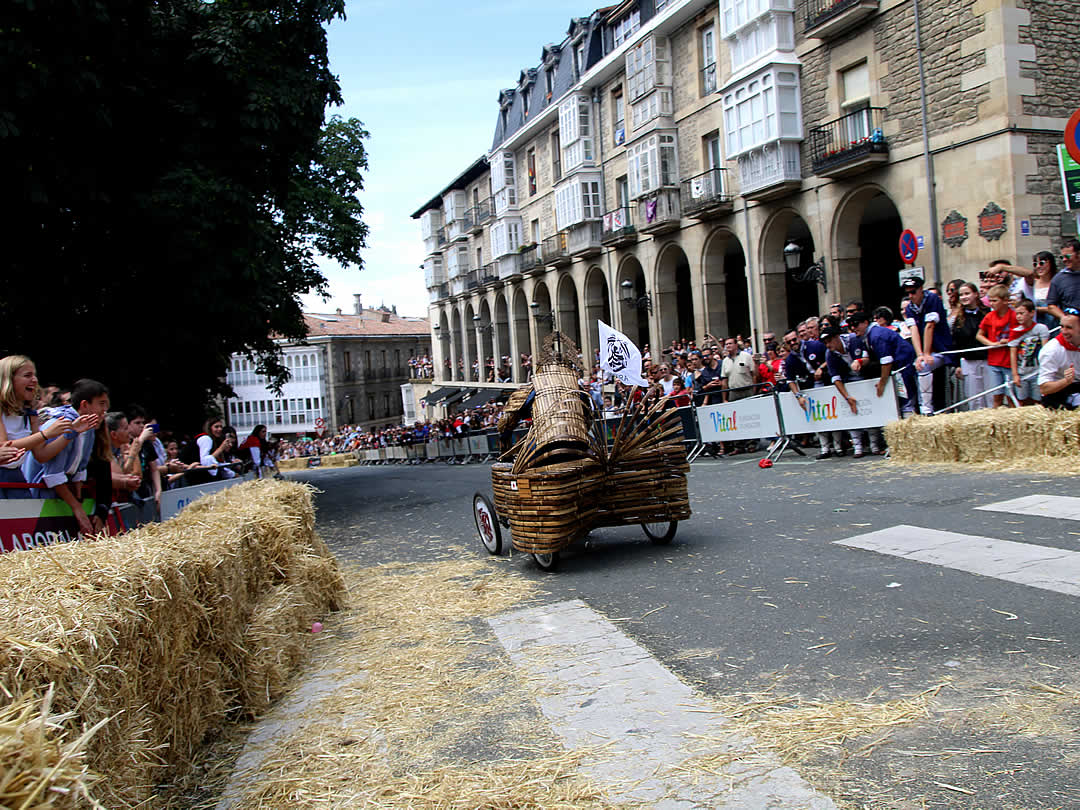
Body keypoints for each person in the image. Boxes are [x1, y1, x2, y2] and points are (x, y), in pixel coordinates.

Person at [22, 379, 111, 536]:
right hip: (40, 492)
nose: (106, 409)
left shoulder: (89, 427)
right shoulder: (61, 423)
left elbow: (79, 468)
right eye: (101, 403)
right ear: (84, 405)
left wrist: (78, 500)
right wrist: (76, 507)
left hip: (62, 491)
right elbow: (53, 474)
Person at [0, 356, 97, 498]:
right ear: (8, 379)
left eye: (34, 375)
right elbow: (5, 448)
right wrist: (45, 434)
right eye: (27, 375)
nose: (34, 380)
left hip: (15, 477)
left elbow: (41, 455)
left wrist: (70, 433)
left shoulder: (30, 414)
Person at [850, 310, 918, 415]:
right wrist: (859, 361)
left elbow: (887, 361)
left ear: (865, 322)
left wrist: (882, 383)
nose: (853, 328)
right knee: (902, 401)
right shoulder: (866, 336)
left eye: (855, 324)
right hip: (898, 368)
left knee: (906, 401)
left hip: (903, 366)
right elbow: (867, 357)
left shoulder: (876, 335)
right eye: (851, 326)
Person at [902, 275, 952, 415]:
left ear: (921, 289)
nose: (911, 296)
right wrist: (920, 355)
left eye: (913, 292)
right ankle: (923, 406)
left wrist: (926, 353)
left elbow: (930, 326)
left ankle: (926, 407)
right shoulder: (910, 308)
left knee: (925, 366)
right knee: (919, 365)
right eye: (908, 293)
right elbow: (914, 331)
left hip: (941, 347)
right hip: (926, 349)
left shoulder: (932, 299)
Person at [976, 284, 1019, 408]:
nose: (992, 303)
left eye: (995, 301)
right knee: (996, 397)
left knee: (1011, 397)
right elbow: (979, 335)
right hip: (994, 362)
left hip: (1010, 362)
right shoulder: (989, 316)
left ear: (1005, 300)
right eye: (990, 301)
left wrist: (1010, 340)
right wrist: (992, 344)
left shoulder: (1014, 315)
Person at [950, 282, 991, 410]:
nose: (964, 297)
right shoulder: (958, 319)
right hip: (969, 362)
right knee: (974, 399)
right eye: (961, 295)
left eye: (967, 293)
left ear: (976, 294)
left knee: (990, 396)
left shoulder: (987, 313)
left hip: (988, 360)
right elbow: (956, 343)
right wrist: (957, 364)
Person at [1008, 299, 1049, 406]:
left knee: (1038, 399)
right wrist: (1015, 374)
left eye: (1022, 313)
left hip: (1037, 371)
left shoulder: (1041, 329)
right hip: (1022, 372)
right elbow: (1013, 354)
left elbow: (1046, 350)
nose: (1019, 316)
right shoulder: (1015, 332)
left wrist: (1045, 371)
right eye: (1017, 314)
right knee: (1022, 400)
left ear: (1032, 313)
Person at [1038, 307, 1080, 409]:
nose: (1064, 331)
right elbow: (1044, 388)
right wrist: (1066, 381)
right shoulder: (1051, 350)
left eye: (1069, 327)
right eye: (1062, 327)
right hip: (1058, 395)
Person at [1047, 240, 1080, 322]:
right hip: (1072, 329)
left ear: (1079, 255)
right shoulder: (1058, 279)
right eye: (1062, 257)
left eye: (1067, 256)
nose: (1064, 260)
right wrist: (1064, 318)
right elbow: (1051, 305)